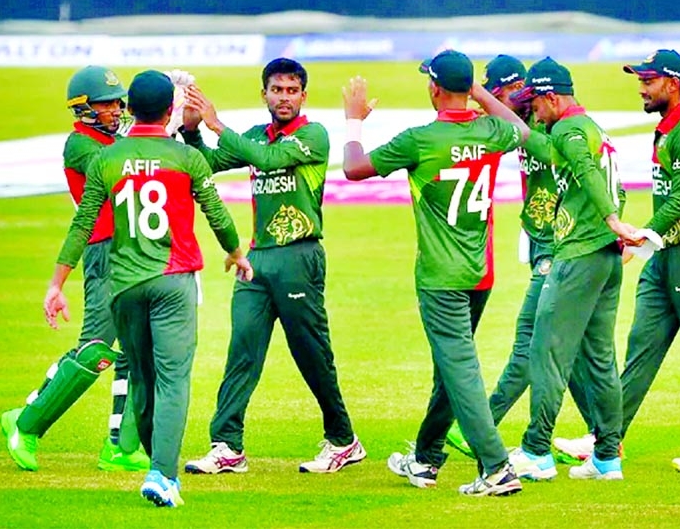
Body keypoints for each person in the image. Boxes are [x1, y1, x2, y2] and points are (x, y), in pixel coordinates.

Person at [43, 70, 252, 507]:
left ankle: (148, 459)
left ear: (130, 110)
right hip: (173, 280)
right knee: (173, 380)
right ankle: (162, 473)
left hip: (124, 283)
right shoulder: (185, 157)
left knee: (141, 377)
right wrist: (236, 252)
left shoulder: (107, 158)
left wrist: (58, 282)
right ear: (171, 111)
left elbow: (83, 223)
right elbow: (214, 210)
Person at [342, 49, 531, 497]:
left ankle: (497, 468)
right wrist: (478, 92)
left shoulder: (420, 140)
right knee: (451, 370)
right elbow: (521, 129)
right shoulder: (490, 131)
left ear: (433, 88)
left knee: (460, 370)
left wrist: (353, 119)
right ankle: (426, 460)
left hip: (440, 277)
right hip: (479, 274)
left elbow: (353, 169)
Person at [180, 57, 365, 475]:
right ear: (263, 93)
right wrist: (192, 129)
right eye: (276, 90)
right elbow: (205, 165)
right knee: (242, 349)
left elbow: (267, 160)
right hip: (257, 259)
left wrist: (218, 126)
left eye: (291, 90)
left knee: (312, 354)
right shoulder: (254, 136)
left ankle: (343, 440)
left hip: (299, 255)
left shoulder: (313, 136)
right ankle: (227, 445)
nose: (284, 98)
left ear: (303, 95)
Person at [554, 49, 680, 473]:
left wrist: (641, 234)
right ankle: (607, 441)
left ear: (672, 84)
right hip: (666, 253)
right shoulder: (667, 129)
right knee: (641, 348)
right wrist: (645, 245)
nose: (641, 87)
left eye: (648, 81)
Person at [0, 65, 150, 473]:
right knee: (96, 349)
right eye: (106, 104)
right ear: (83, 108)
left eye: (119, 101)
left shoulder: (114, 138)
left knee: (140, 351)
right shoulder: (79, 146)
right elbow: (123, 166)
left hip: (140, 253)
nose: (116, 109)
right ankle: (27, 424)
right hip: (105, 253)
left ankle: (121, 446)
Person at [444, 55, 592, 458]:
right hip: (545, 241)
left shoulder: (552, 124)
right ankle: (599, 437)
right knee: (567, 346)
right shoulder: (523, 123)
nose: (496, 100)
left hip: (565, 246)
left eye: (499, 92)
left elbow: (594, 172)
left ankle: (484, 426)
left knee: (532, 342)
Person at [505, 57, 639, 482]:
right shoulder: (591, 128)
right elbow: (609, 179)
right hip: (604, 256)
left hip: (579, 253)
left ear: (551, 97)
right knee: (600, 359)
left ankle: (537, 452)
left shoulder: (567, 130)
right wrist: (615, 227)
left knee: (545, 349)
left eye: (536, 103)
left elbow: (583, 169)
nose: (533, 112)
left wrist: (610, 220)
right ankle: (606, 459)